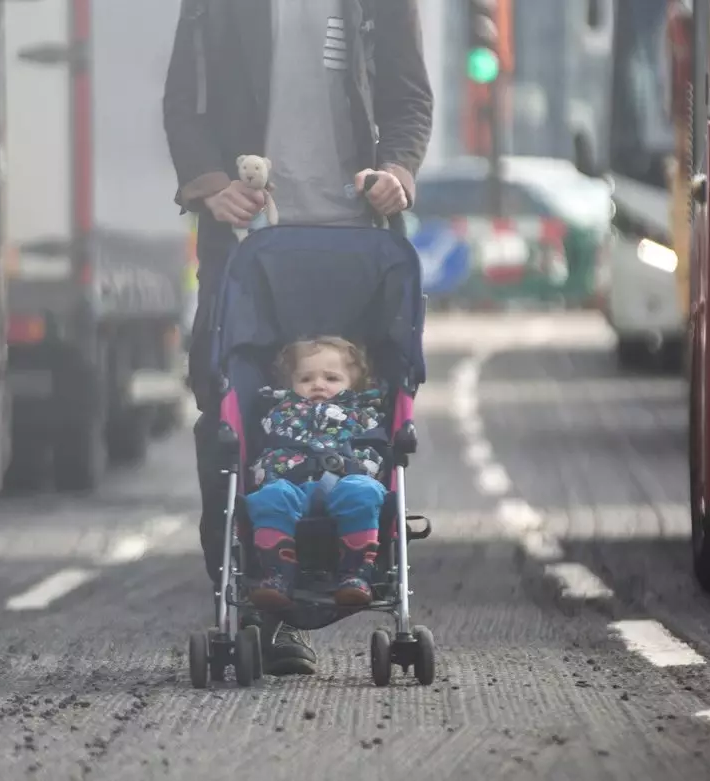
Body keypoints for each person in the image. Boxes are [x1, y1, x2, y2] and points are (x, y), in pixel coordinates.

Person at [163, 0, 433, 676]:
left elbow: (408, 97)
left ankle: (357, 557)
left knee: (367, 403)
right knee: (225, 402)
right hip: (250, 242)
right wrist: (210, 187)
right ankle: (253, 604)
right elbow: (183, 103)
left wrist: (398, 173)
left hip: (357, 245)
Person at [245, 337, 388, 610]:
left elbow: (377, 452)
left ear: (353, 384)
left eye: (332, 378)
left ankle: (356, 575)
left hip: (347, 480)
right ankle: (277, 575)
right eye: (306, 378)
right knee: (269, 496)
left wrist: (361, 467)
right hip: (291, 484)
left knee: (363, 491)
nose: (318, 385)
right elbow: (263, 450)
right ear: (290, 385)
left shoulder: (364, 414)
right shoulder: (278, 413)